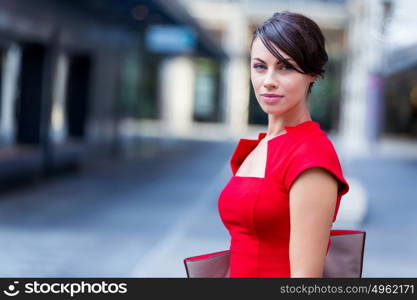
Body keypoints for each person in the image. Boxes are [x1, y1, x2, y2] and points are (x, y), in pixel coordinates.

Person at [217, 11, 350, 278]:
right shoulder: (261, 146)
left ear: (312, 73)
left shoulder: (311, 156)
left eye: (285, 67)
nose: (268, 81)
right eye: (259, 66)